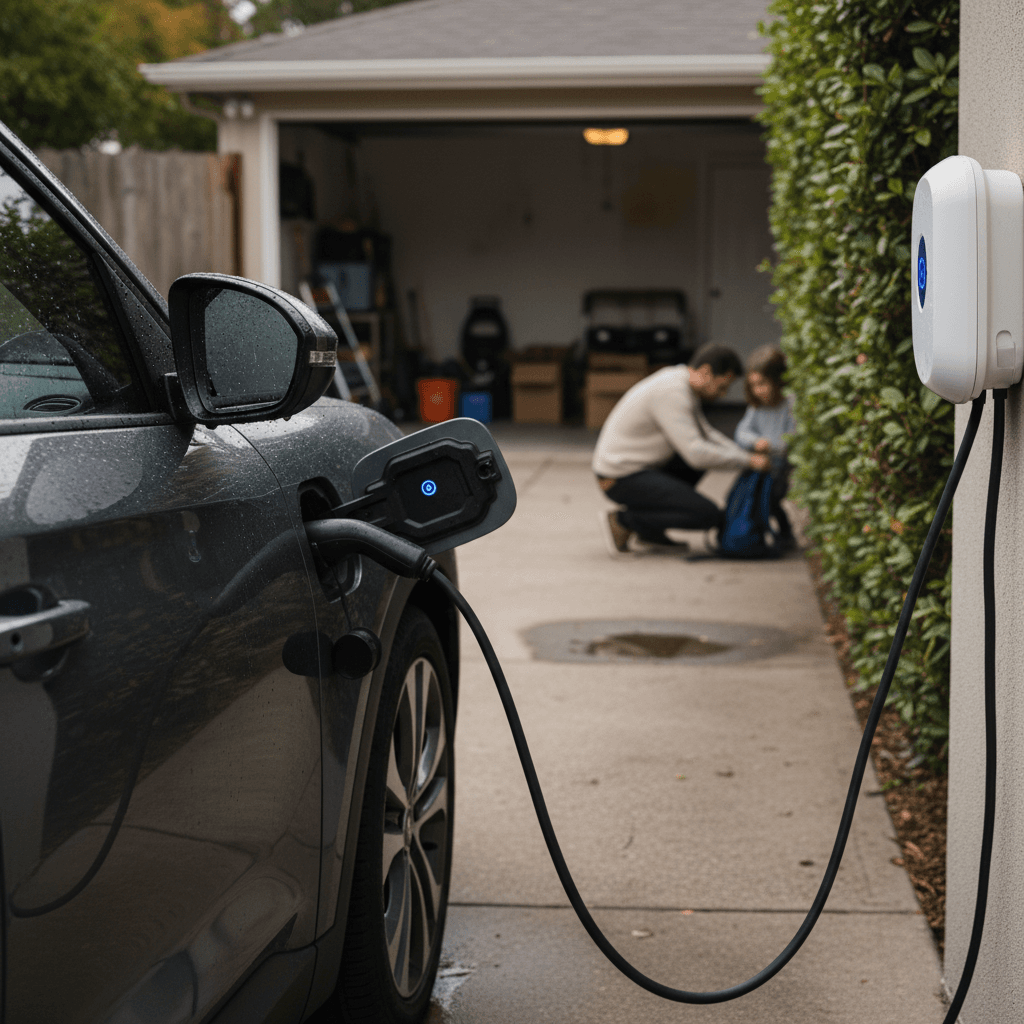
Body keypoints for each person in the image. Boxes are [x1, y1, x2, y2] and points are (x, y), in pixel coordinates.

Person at [593, 343, 772, 553]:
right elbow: (696, 453)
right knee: (707, 514)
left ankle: (650, 533)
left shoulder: (681, 383)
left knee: (705, 456)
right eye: (722, 386)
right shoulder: (672, 393)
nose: (723, 394)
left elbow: (707, 435)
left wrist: (745, 455)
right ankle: (623, 522)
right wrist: (749, 461)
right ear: (705, 372)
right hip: (618, 476)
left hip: (639, 468)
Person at [733, 344, 797, 547]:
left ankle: (784, 534)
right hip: (758, 466)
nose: (757, 390)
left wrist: (771, 445)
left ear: (778, 381)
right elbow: (741, 432)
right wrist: (754, 441)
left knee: (771, 500)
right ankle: (759, 533)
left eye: (762, 384)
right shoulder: (756, 407)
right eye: (753, 385)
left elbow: (793, 438)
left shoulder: (789, 405)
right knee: (755, 498)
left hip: (779, 468)